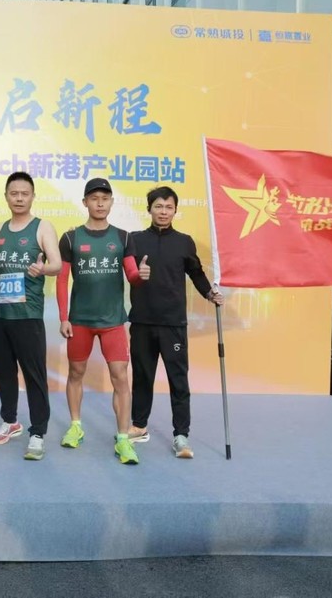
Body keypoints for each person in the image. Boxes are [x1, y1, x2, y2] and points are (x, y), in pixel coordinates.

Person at [126, 186, 223, 459]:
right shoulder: (134, 240)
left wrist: (210, 293)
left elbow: (196, 273)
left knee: (178, 380)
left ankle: (181, 435)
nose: (163, 212)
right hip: (142, 321)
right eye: (158, 206)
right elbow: (124, 268)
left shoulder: (184, 242)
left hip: (173, 324)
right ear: (149, 209)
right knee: (142, 377)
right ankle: (139, 425)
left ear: (175, 211)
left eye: (169, 207)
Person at [56, 177, 141, 465]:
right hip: (79, 321)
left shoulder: (123, 237)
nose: (100, 203)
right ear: (85, 202)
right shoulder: (70, 238)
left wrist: (140, 276)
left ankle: (123, 439)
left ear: (112, 202)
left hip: (113, 321)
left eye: (105, 198)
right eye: (94, 198)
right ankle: (76, 426)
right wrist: (64, 318)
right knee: (75, 373)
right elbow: (62, 280)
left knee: (120, 377)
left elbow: (131, 275)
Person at [0, 172, 61, 461]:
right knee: (3, 371)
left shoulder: (42, 227)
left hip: (28, 315)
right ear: (6, 196)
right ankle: (10, 421)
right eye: (14, 193)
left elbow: (56, 264)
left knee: (33, 374)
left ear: (32, 196)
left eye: (24, 194)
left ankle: (38, 432)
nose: (19, 198)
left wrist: (43, 269)